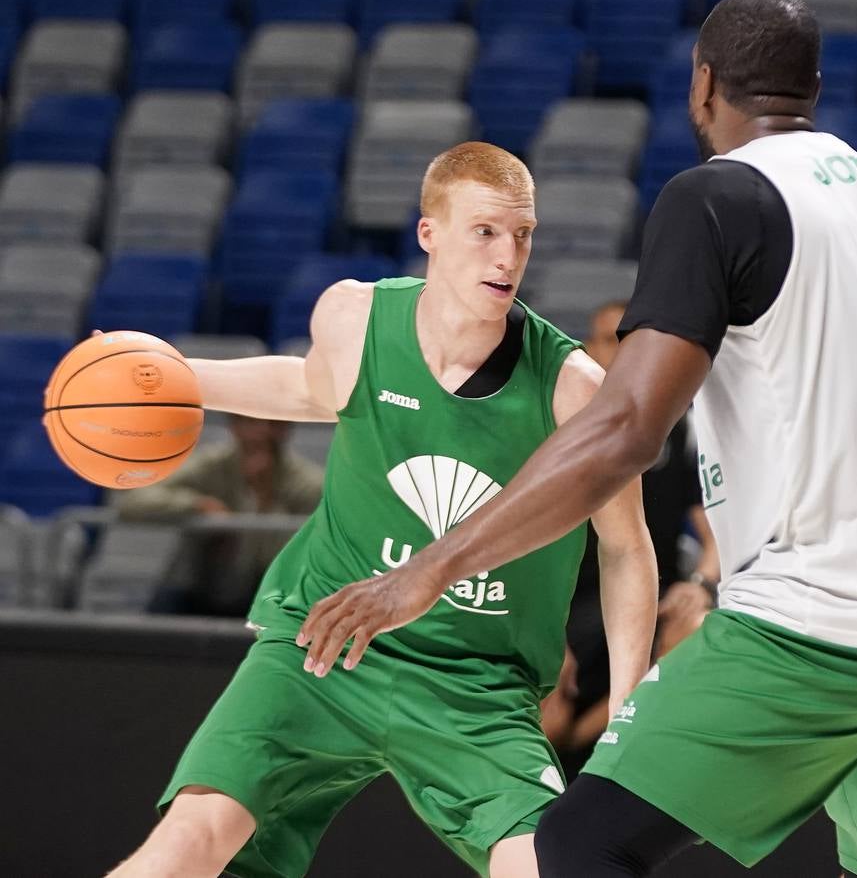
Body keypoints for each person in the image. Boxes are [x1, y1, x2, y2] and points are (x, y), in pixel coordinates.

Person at [295, 0, 857, 877]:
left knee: (580, 842)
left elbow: (625, 431)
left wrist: (429, 570)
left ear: (703, 85)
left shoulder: (718, 196)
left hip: (823, 618)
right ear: (814, 85)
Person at [109, 141, 658, 878]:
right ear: (429, 233)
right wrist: (172, 377)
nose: (508, 257)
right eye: (485, 232)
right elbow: (311, 389)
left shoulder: (574, 388)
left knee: (547, 868)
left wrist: (626, 710)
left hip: (475, 682)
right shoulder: (355, 316)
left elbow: (625, 547)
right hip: (321, 648)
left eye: (522, 235)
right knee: (188, 839)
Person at [546, 301, 719, 770]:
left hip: (650, 598)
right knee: (547, 720)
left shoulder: (674, 425)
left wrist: (699, 586)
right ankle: (578, 751)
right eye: (608, 338)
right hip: (565, 605)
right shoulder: (551, 424)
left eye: (631, 339)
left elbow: (715, 534)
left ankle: (607, 744)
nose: (621, 350)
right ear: (584, 349)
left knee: (698, 630)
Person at [118, 414, 324, 617]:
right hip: (196, 586)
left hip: (264, 592)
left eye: (273, 423)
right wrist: (198, 505)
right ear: (234, 425)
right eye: (251, 422)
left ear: (285, 429)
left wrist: (264, 503)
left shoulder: (306, 482)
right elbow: (135, 500)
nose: (261, 432)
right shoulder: (212, 464)